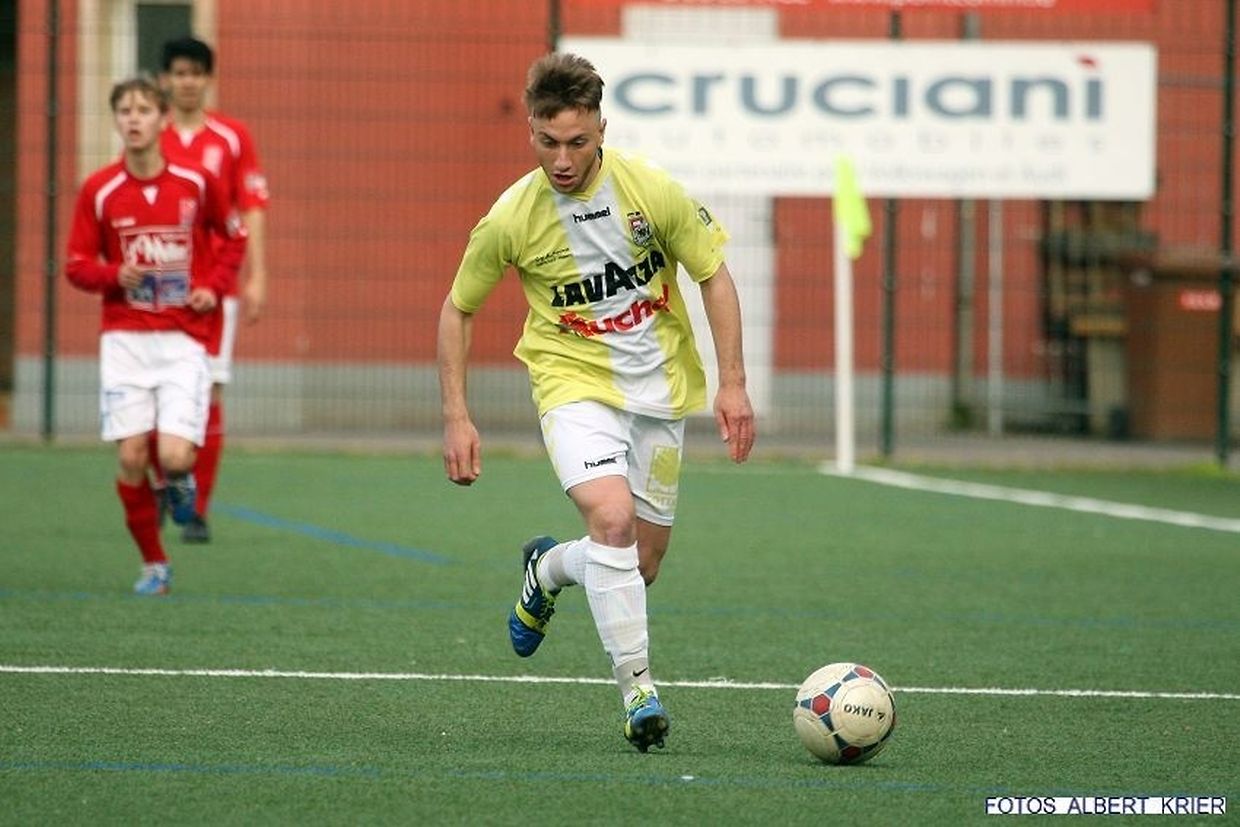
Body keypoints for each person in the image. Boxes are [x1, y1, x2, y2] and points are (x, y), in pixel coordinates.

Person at [437, 52, 755, 752]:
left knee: (640, 564)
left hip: (660, 391)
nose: (562, 159)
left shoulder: (650, 192)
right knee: (612, 520)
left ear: (601, 129)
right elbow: (457, 310)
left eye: (577, 142)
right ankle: (638, 691)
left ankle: (547, 568)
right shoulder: (511, 217)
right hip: (571, 384)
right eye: (547, 141)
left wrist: (732, 381)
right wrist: (457, 416)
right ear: (530, 130)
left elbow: (714, 275)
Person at [66, 76, 245, 594]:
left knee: (173, 455)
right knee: (130, 457)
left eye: (143, 110)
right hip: (124, 340)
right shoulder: (99, 190)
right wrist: (113, 275)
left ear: (162, 119)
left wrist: (212, 287)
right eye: (125, 111)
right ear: (116, 121)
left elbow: (234, 235)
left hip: (183, 339)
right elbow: (76, 264)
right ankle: (155, 565)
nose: (134, 119)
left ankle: (180, 479)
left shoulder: (194, 182)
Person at [156, 35, 270, 543]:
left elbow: (252, 207)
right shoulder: (151, 134)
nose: (187, 82)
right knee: (156, 387)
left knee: (208, 388)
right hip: (159, 289)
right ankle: (163, 486)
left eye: (196, 73)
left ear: (208, 79)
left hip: (213, 288)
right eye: (179, 73)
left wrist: (257, 275)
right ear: (165, 80)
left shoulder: (231, 137)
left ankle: (197, 508)